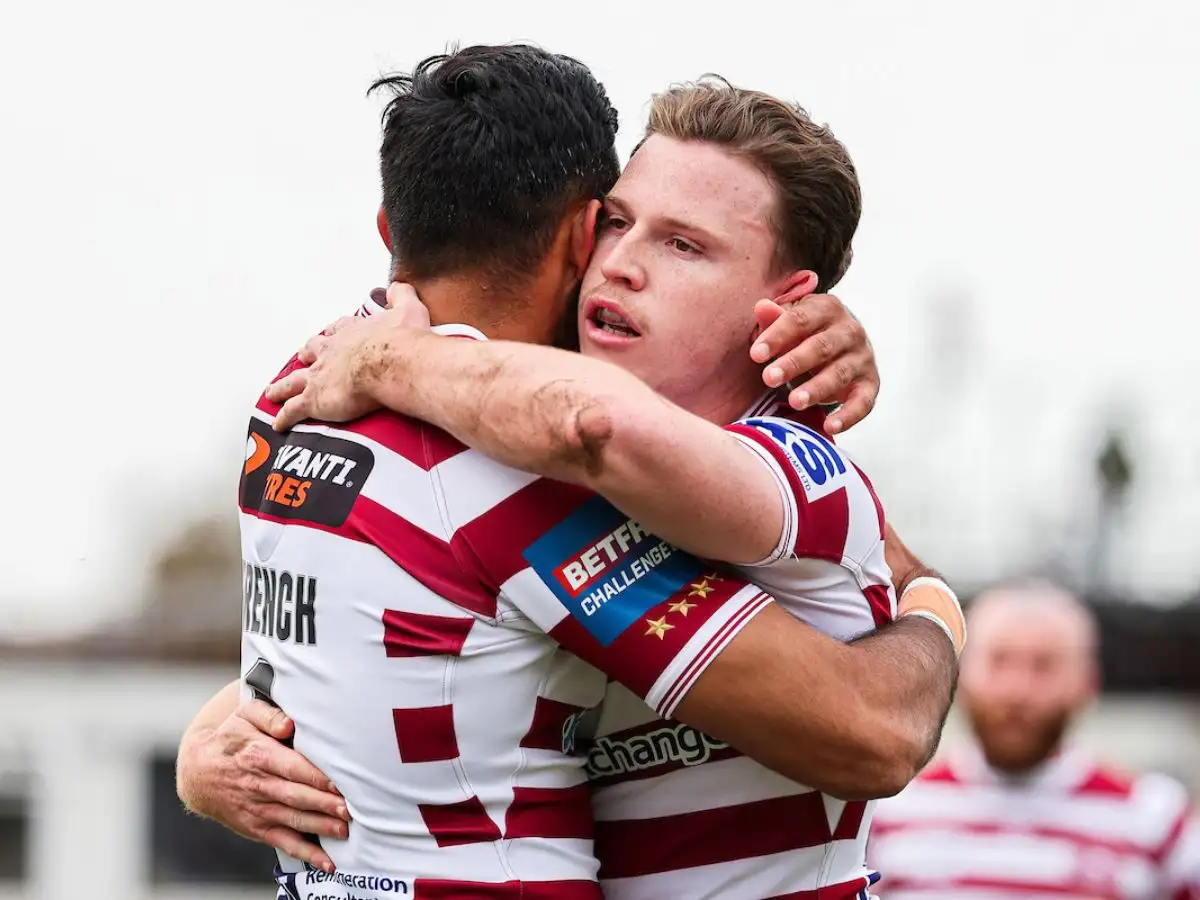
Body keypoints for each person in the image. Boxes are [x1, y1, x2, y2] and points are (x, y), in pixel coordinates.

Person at [177, 46, 961, 899]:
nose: (624, 262)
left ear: (788, 302)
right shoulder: (518, 439)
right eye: (619, 224)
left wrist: (392, 360)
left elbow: (879, 721)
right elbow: (427, 626)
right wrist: (213, 741)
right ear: (583, 235)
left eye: (686, 245)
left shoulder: (781, 462)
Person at [870, 581, 1200, 899]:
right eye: (999, 661)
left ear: (1089, 683)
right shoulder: (885, 815)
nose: (1017, 691)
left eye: (1044, 665)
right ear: (958, 674)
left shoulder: (1157, 820)